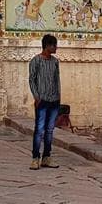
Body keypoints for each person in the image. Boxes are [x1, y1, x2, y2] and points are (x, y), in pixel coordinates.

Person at [28, 33, 62, 170]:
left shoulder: (55, 62)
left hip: (54, 100)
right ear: (47, 46)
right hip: (42, 100)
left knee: (49, 130)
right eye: (54, 45)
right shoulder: (35, 61)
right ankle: (35, 157)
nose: (56, 48)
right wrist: (36, 96)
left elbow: (57, 80)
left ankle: (46, 157)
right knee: (39, 130)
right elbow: (32, 80)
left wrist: (59, 96)